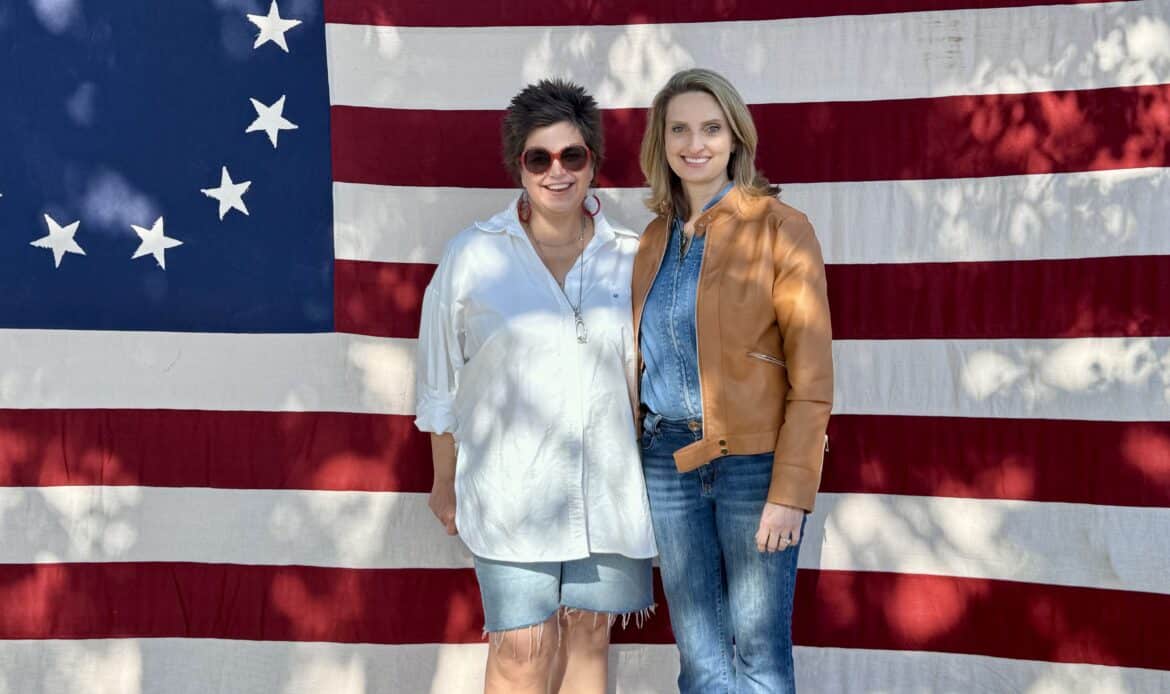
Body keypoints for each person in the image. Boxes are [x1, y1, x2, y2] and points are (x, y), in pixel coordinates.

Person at [414, 79, 656, 694]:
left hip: (609, 491)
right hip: (509, 491)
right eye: (539, 158)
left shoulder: (632, 256)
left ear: (593, 162)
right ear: (518, 165)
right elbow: (439, 379)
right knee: (522, 651)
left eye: (572, 155)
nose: (557, 172)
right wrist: (443, 478)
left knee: (588, 645)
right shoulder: (473, 255)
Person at [632, 68, 833, 693]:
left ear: (736, 137)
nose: (695, 144)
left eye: (711, 128)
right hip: (668, 461)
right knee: (700, 660)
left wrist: (791, 489)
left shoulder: (781, 227)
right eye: (680, 130)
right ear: (662, 142)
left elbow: (813, 377)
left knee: (760, 656)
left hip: (754, 464)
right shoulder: (652, 240)